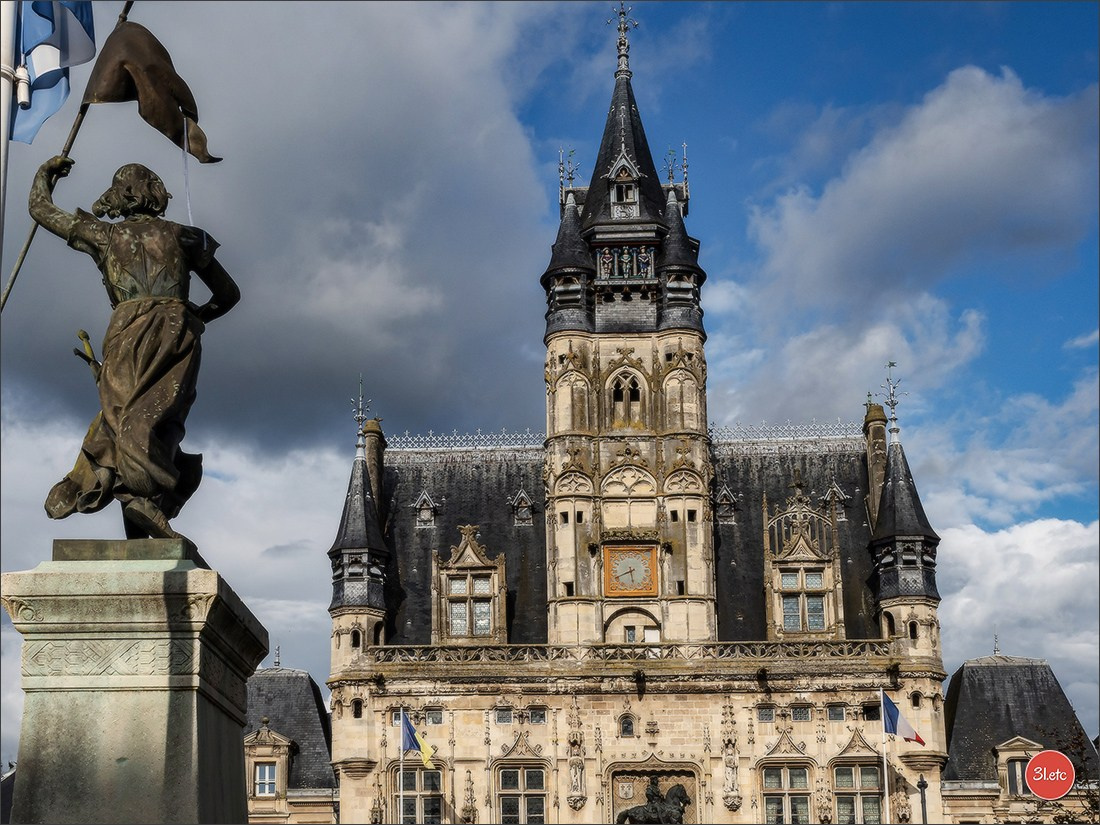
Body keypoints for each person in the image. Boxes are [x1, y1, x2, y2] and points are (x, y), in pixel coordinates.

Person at [29, 155, 240, 541]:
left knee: (122, 417)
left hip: (126, 334)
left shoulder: (106, 237)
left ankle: (136, 496)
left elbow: (41, 210)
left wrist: (45, 174)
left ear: (121, 197)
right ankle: (145, 504)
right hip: (177, 335)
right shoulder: (187, 236)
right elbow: (228, 294)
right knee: (161, 420)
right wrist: (194, 317)